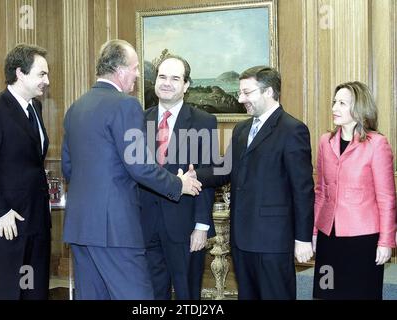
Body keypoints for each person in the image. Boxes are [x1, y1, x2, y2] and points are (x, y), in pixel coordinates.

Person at [61, 39, 202, 300]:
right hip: (115, 229)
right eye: (136, 68)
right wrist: (178, 184)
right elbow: (140, 166)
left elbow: (68, 168)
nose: (138, 74)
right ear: (121, 70)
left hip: (80, 227)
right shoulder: (125, 105)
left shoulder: (75, 108)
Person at [190, 66, 315, 299]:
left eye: (247, 93)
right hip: (242, 238)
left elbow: (303, 190)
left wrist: (303, 238)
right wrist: (194, 176)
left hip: (273, 242)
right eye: (240, 92)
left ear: (268, 91)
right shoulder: (241, 129)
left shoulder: (292, 130)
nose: (240, 99)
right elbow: (225, 169)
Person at [0, 44, 51, 299]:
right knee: (9, 293)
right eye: (41, 74)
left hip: (36, 221)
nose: (47, 81)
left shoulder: (35, 109)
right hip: (8, 224)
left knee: (34, 293)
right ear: (20, 73)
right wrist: (1, 211)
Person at [140, 55, 217, 300]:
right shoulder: (140, 119)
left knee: (187, 295)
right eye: (162, 77)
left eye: (175, 78)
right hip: (145, 225)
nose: (167, 83)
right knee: (151, 295)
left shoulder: (203, 121)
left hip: (185, 227)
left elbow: (206, 174)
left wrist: (202, 226)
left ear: (186, 85)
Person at [312, 81, 396, 300]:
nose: (334, 108)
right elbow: (320, 191)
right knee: (326, 292)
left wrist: (386, 241)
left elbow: (386, 198)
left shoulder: (377, 144)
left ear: (359, 108)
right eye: (334, 102)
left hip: (363, 241)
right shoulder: (325, 141)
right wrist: (313, 231)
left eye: (342, 103)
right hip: (328, 238)